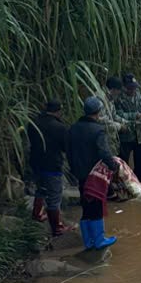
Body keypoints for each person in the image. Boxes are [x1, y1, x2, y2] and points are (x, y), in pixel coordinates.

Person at [67, 96, 117, 249]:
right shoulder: (97, 130)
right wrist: (113, 165)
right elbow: (104, 152)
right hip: (94, 175)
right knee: (96, 204)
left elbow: (68, 151)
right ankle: (99, 240)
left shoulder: (73, 128)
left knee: (86, 204)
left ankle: (88, 241)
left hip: (79, 174)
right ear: (98, 112)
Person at [26, 98, 71, 236]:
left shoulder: (33, 123)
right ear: (58, 112)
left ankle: (37, 213)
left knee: (41, 189)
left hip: (35, 162)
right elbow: (65, 147)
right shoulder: (59, 127)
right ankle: (57, 227)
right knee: (55, 196)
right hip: (52, 165)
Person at [115, 73, 141, 184]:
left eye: (134, 87)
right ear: (124, 87)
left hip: (140, 134)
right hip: (126, 135)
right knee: (123, 161)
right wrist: (134, 116)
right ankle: (124, 183)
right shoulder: (118, 99)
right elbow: (117, 115)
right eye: (129, 88)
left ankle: (140, 181)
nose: (132, 90)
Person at [100, 76, 125, 155]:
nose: (119, 93)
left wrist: (127, 122)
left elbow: (114, 116)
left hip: (111, 138)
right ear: (113, 89)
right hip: (102, 139)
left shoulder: (110, 98)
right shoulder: (100, 99)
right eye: (119, 91)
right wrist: (119, 126)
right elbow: (101, 120)